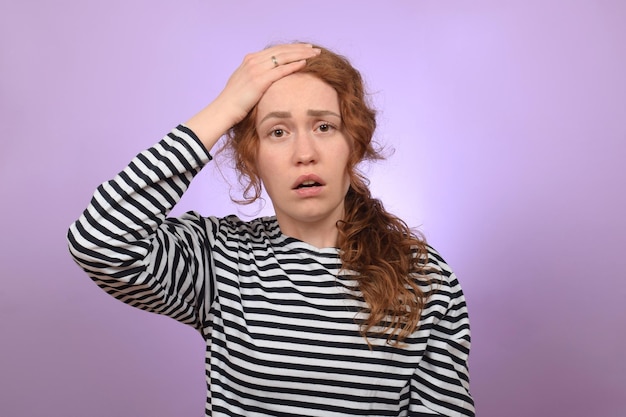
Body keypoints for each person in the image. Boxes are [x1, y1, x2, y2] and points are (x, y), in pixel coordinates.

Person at [67, 42, 475, 416]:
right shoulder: (221, 258)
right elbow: (99, 241)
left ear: (354, 142)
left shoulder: (426, 280)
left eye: (324, 127)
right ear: (252, 159)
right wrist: (224, 108)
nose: (304, 153)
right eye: (277, 132)